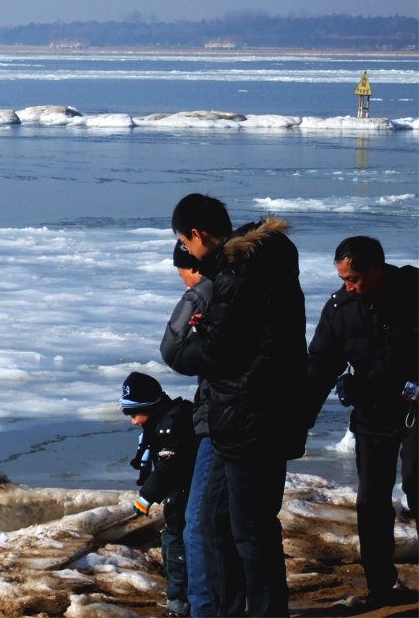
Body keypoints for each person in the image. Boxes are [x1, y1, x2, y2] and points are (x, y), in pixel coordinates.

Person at [167, 193, 308, 617]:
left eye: (185, 242)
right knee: (216, 522)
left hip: (248, 415)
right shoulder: (262, 259)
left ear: (198, 234)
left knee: (249, 529)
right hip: (251, 413)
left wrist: (182, 352)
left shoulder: (237, 271)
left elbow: (221, 351)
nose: (187, 252)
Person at [305, 236, 418, 607]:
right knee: (371, 500)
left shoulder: (414, 291)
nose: (348, 286)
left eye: (353, 278)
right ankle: (380, 586)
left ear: (376, 269)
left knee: (417, 485)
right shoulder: (340, 308)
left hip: (415, 407)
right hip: (371, 412)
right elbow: (320, 364)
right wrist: (299, 418)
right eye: (343, 279)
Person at [160, 241, 216, 617]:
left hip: (223, 420)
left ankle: (202, 608)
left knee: (197, 524)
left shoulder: (212, 295)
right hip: (230, 416)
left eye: (186, 277)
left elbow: (173, 351)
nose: (186, 288)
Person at [121, 371, 197, 618]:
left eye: (134, 414)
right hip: (180, 495)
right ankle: (179, 597)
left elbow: (169, 468)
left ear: (149, 407)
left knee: (176, 547)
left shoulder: (171, 426)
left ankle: (180, 604)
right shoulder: (165, 420)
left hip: (184, 495)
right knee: (172, 543)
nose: (133, 421)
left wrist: (146, 497)